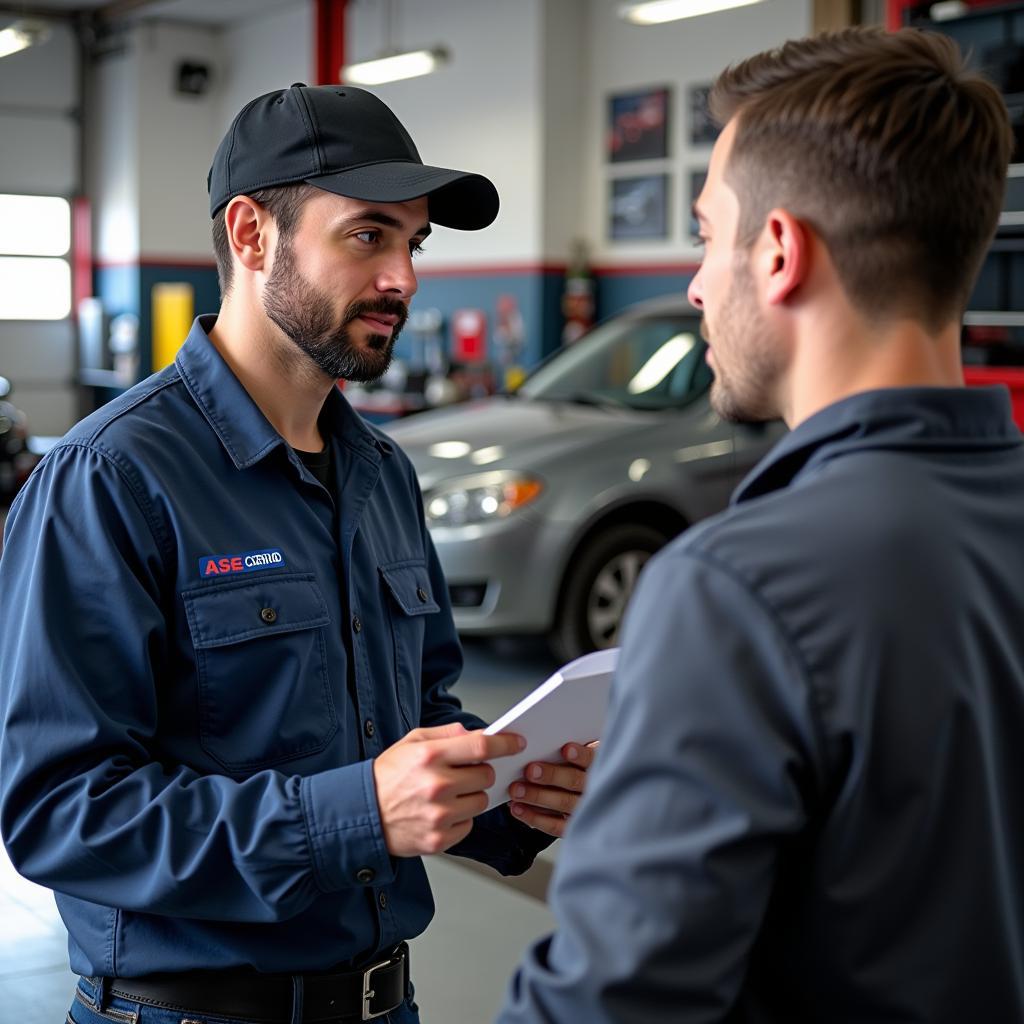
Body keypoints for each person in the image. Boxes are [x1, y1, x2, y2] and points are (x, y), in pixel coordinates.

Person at [0, 83, 595, 1024]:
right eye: (368, 236)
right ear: (250, 235)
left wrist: (507, 794)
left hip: (379, 1002)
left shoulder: (382, 475)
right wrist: (356, 812)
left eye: (414, 244)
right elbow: (63, 813)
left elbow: (413, 721)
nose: (402, 277)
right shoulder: (110, 479)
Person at [497, 26, 1024, 1024]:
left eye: (705, 234)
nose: (695, 282)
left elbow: (612, 1004)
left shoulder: (735, 588)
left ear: (778, 252)